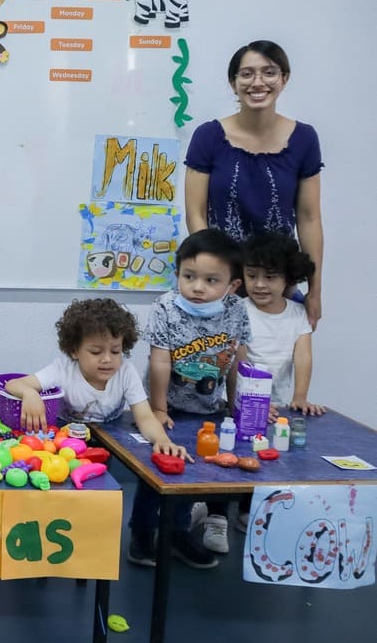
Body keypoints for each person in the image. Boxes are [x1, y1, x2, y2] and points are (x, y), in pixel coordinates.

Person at [130, 229, 252, 567]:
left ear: (232, 286)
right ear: (178, 273)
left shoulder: (236, 311)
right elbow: (160, 359)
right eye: (189, 276)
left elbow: (235, 361)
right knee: (156, 470)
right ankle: (141, 535)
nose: (197, 287)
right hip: (166, 407)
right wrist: (158, 408)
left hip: (209, 408)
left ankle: (177, 535)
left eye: (211, 280)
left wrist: (237, 406)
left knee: (194, 474)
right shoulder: (167, 306)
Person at [184, 39, 324, 327]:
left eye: (269, 72)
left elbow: (309, 219)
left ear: (284, 79)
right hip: (219, 286)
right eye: (246, 74)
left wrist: (315, 290)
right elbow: (195, 214)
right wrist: (217, 276)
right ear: (233, 82)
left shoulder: (304, 139)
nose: (257, 82)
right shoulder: (208, 136)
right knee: (214, 369)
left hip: (276, 286)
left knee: (273, 367)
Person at [6, 299, 189, 457]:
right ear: (74, 350)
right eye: (96, 351)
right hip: (64, 439)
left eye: (116, 351)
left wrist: (162, 440)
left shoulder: (126, 371)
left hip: (110, 437)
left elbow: (145, 418)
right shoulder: (63, 369)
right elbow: (13, 384)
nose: (107, 359)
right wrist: (30, 393)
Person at [241, 232, 321, 417]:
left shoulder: (299, 314)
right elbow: (238, 362)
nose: (259, 284)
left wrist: (300, 397)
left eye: (269, 277)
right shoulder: (239, 310)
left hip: (279, 407)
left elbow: (303, 358)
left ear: (288, 278)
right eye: (252, 276)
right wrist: (249, 401)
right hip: (241, 403)